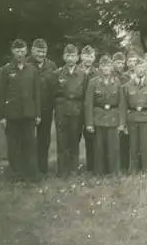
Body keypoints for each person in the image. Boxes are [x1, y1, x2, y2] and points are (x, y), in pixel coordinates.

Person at [0, 39, 41, 182]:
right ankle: (15, 174)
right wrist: (1, 116)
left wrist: (38, 114)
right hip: (12, 115)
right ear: (12, 52)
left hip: (28, 114)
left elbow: (36, 94)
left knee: (29, 145)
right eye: (17, 51)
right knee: (13, 145)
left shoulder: (32, 70)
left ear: (26, 51)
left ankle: (30, 174)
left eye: (22, 51)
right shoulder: (5, 70)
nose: (20, 54)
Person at [85, 55, 125, 176]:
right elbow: (88, 103)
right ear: (99, 68)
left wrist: (122, 123)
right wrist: (89, 123)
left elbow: (122, 103)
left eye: (108, 66)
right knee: (98, 147)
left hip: (113, 118)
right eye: (103, 66)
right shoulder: (93, 82)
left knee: (113, 147)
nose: (105, 68)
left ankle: (114, 172)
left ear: (112, 67)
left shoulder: (117, 82)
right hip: (99, 118)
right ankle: (99, 172)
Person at [53, 44, 86, 178]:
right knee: (61, 140)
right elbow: (53, 93)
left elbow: (85, 95)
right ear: (63, 56)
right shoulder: (57, 73)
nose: (70, 58)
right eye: (68, 55)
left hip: (76, 110)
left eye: (73, 55)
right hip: (62, 110)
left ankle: (73, 169)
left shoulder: (83, 75)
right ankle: (62, 169)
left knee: (74, 140)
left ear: (77, 57)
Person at [27, 38, 58, 175]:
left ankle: (42, 168)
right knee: (27, 139)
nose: (41, 54)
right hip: (29, 108)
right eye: (38, 51)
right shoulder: (26, 64)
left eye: (44, 51)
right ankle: (28, 168)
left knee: (44, 139)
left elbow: (56, 88)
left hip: (46, 108)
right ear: (32, 50)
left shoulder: (52, 66)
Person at [122, 57, 147, 174]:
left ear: (146, 69)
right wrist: (124, 124)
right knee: (133, 146)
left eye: (143, 67)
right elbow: (123, 106)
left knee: (146, 147)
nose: (140, 70)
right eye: (138, 67)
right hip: (132, 118)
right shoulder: (127, 86)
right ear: (134, 68)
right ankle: (132, 171)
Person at [79, 45, 98, 172]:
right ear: (81, 57)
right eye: (86, 56)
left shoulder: (97, 73)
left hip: (91, 110)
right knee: (73, 138)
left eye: (91, 56)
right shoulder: (76, 71)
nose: (88, 59)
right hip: (77, 108)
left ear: (94, 58)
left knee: (91, 139)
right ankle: (71, 167)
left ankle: (91, 167)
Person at [113, 51, 131, 173]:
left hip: (123, 111)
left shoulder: (126, 78)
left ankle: (123, 166)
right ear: (113, 62)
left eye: (122, 63)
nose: (120, 65)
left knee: (124, 140)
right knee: (112, 140)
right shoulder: (109, 75)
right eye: (117, 62)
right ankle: (113, 166)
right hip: (112, 111)